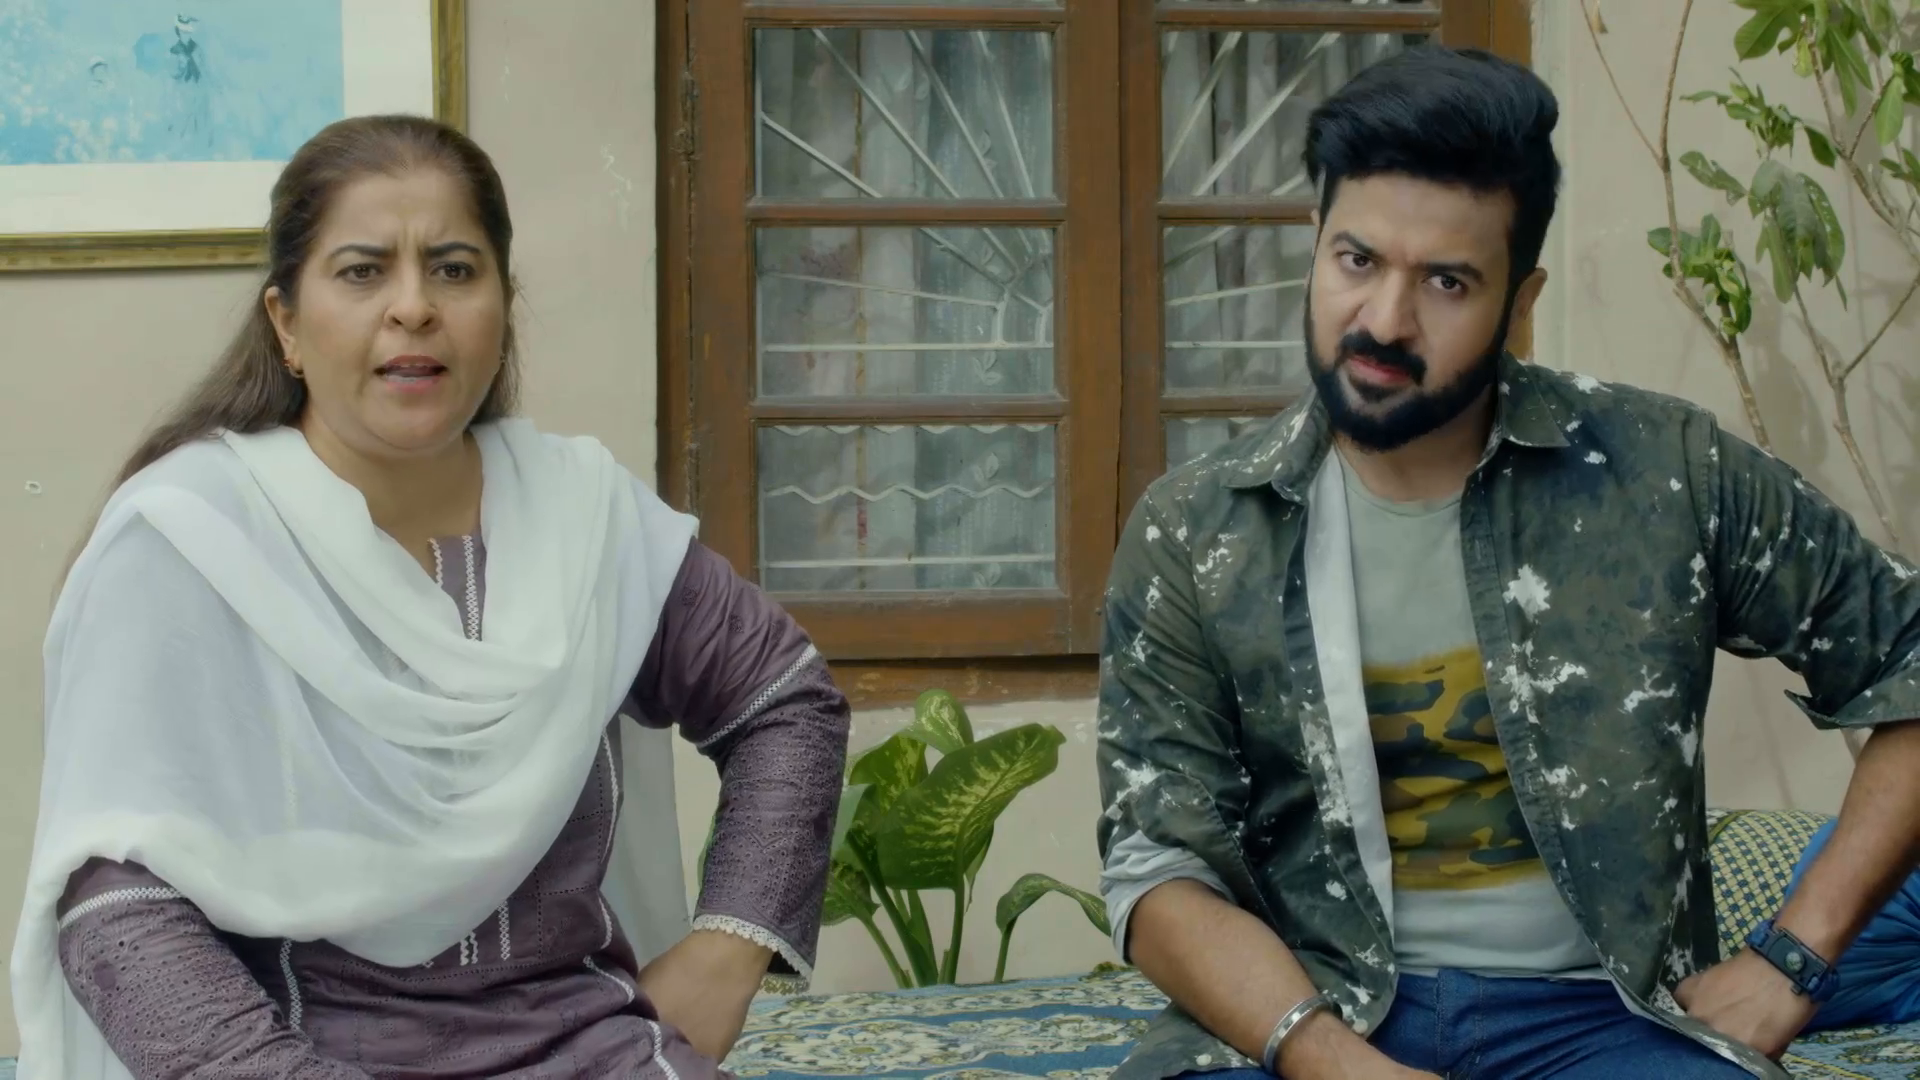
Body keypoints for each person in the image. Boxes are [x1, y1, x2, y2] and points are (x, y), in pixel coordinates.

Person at [1094, 46, 1920, 1080]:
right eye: (1357, 261)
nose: (1384, 321)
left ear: (1519, 302)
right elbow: (1157, 862)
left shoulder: (1665, 472)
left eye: (1446, 281)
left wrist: (1794, 959)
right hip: (1313, 1012)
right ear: (1315, 243)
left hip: (1606, 1022)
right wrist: (1334, 1061)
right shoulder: (1196, 531)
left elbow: (1910, 657)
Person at [11, 114, 850, 1080]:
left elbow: (782, 697)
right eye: (363, 271)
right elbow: (115, 895)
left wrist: (727, 949)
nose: (413, 308)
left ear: (503, 305)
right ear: (286, 322)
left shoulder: (582, 518)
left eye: (454, 269)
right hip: (292, 1059)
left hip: (594, 1050)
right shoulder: (189, 541)